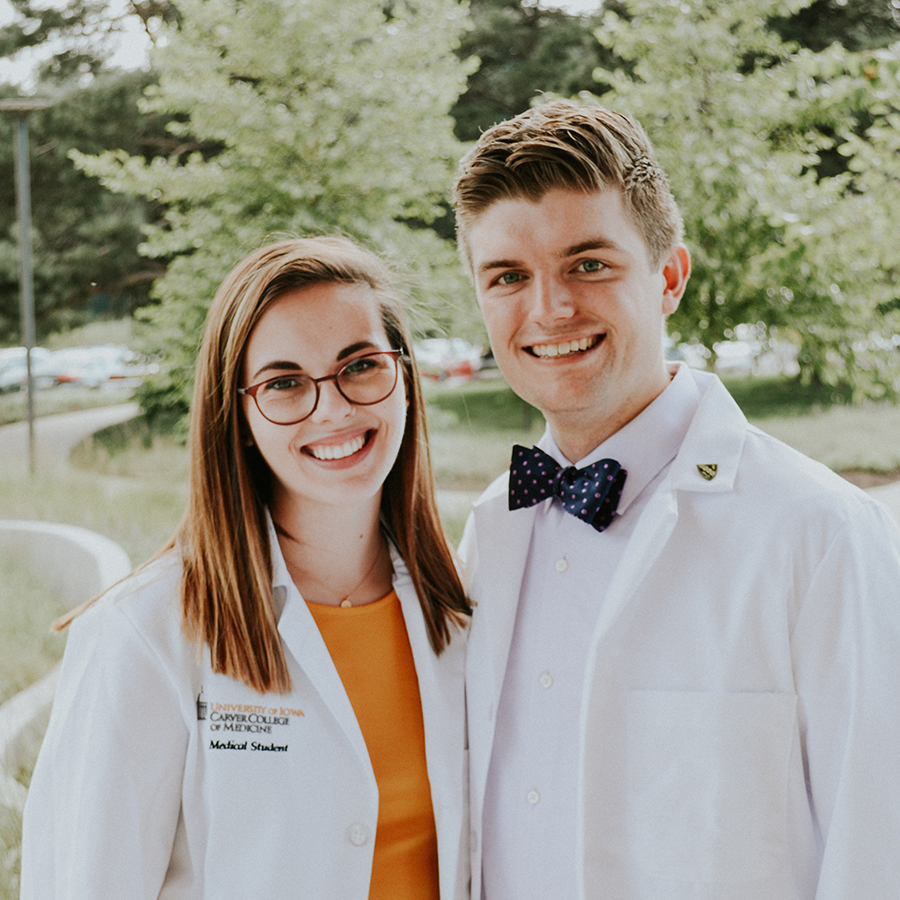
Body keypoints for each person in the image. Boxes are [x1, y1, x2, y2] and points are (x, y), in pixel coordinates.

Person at [452, 100, 900, 899]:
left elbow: (877, 849)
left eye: (588, 263)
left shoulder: (823, 535)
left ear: (668, 278)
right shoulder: (488, 533)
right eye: (508, 277)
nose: (549, 309)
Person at [20, 236, 471, 900]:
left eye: (361, 364)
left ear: (403, 375)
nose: (334, 406)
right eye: (285, 382)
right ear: (238, 414)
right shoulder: (145, 631)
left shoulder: (465, 609)